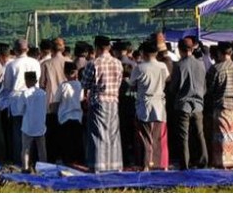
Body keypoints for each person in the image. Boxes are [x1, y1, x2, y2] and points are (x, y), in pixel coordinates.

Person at [83, 35, 124, 172]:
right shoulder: (117, 63)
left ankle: (98, 165)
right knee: (113, 134)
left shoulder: (94, 63)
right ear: (109, 47)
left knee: (98, 134)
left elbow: (85, 84)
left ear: (97, 47)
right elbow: (119, 82)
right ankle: (115, 165)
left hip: (98, 100)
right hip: (114, 101)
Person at [129, 40, 169, 170]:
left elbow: (132, 84)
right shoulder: (162, 66)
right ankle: (161, 164)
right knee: (160, 137)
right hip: (159, 104)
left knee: (145, 137)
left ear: (143, 53)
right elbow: (166, 79)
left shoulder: (139, 68)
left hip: (144, 105)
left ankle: (145, 164)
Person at [169, 36, 208, 169]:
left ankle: (184, 163)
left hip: (183, 105)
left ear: (180, 50)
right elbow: (204, 86)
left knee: (183, 136)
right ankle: (203, 161)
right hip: (198, 104)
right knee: (200, 134)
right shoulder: (201, 64)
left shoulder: (179, 66)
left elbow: (173, 88)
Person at [205, 41, 233, 169]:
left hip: (221, 105)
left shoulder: (216, 68)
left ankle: (223, 161)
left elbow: (210, 88)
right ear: (231, 52)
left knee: (222, 135)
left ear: (219, 53)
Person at [2, 38, 41, 165]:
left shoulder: (11, 65)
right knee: (32, 130)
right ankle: (32, 159)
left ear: (15, 50)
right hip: (33, 98)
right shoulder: (35, 63)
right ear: (27, 49)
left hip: (17, 100)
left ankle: (19, 160)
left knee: (18, 131)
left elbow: (7, 86)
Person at [39, 38, 69, 158]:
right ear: (63, 48)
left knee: (51, 135)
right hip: (67, 102)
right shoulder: (69, 62)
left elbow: (42, 85)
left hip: (51, 103)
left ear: (51, 48)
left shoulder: (46, 64)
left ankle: (52, 158)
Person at [57, 61, 85, 166]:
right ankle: (80, 162)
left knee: (66, 143)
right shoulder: (80, 85)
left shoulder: (62, 86)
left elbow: (56, 101)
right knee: (78, 142)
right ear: (76, 72)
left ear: (65, 73)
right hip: (77, 116)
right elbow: (81, 99)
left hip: (64, 117)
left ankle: (68, 162)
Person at [20, 71, 48, 171]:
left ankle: (25, 167)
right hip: (40, 125)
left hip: (28, 126)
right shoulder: (43, 93)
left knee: (26, 149)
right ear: (36, 81)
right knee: (42, 149)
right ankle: (44, 168)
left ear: (26, 81)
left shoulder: (25, 93)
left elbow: (21, 109)